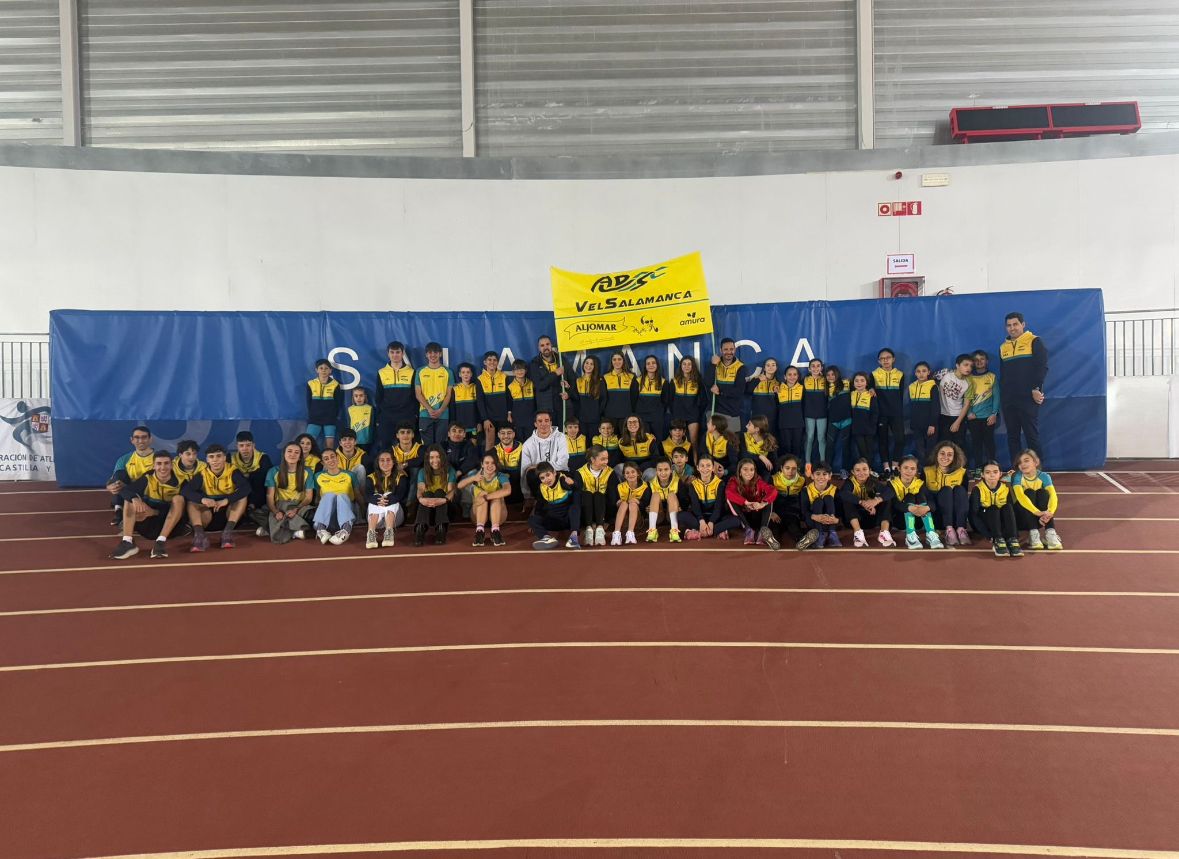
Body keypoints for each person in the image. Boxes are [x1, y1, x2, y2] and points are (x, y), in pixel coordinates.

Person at [109, 450, 186, 560]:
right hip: (149, 525)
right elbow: (125, 490)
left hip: (172, 527)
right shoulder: (148, 478)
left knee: (179, 499)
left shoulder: (181, 481)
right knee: (129, 499)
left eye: (166, 463)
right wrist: (135, 499)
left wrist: (155, 512)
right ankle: (127, 542)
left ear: (172, 465)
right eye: (159, 464)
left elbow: (185, 510)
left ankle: (160, 543)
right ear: (153, 466)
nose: (163, 467)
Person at [1000, 312, 1049, 466]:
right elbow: (1003, 374)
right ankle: (1016, 470)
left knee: (1031, 435)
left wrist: (1036, 388)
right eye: (1009, 325)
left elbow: (1042, 367)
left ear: (1023, 324)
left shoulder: (1035, 341)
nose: (1012, 328)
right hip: (1009, 399)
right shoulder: (1003, 347)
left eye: (1015, 324)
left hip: (1028, 398)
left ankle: (1038, 471)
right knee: (1012, 436)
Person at [182, 443, 250, 552]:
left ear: (224, 458)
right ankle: (199, 536)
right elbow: (186, 491)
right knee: (191, 502)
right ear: (207, 460)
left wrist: (227, 500)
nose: (215, 460)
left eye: (218, 456)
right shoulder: (202, 474)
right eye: (211, 457)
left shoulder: (232, 471)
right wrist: (203, 499)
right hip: (208, 517)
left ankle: (227, 534)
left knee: (242, 497)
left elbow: (246, 488)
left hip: (228, 516)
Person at [257, 441, 315, 545]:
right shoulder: (273, 471)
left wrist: (296, 509)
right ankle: (294, 530)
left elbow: (308, 498)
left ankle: (272, 528)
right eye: (289, 451)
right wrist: (276, 512)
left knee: (313, 516)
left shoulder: (307, 472)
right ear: (284, 454)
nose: (292, 454)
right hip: (280, 506)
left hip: (300, 506)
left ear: (300, 457)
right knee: (254, 513)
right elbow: (270, 497)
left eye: (297, 452)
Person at [882, 455, 943, 550]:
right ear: (899, 468)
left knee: (920, 495)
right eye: (905, 468)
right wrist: (909, 508)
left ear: (916, 470)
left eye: (912, 468)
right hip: (900, 521)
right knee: (910, 496)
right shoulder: (892, 484)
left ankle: (930, 533)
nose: (909, 471)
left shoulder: (920, 483)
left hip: (918, 521)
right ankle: (910, 535)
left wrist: (926, 508)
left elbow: (932, 503)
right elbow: (894, 504)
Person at [680, 455, 741, 541]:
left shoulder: (720, 483)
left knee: (736, 520)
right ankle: (716, 531)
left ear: (713, 468)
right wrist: (701, 521)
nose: (705, 468)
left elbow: (718, 507)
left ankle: (701, 532)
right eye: (702, 465)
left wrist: (711, 522)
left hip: (716, 518)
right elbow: (695, 505)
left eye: (708, 465)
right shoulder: (693, 484)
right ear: (697, 468)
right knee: (680, 515)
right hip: (699, 518)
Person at [970, 460, 1023, 558]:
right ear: (982, 475)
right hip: (985, 522)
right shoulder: (977, 489)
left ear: (1000, 474)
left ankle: (1012, 539)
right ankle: (997, 539)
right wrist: (988, 535)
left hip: (1001, 524)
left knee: (1007, 507)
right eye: (987, 472)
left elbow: (1011, 512)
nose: (992, 475)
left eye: (995, 472)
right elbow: (973, 515)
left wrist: (1013, 532)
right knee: (993, 508)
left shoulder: (1005, 488)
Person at [1012, 448, 1063, 550]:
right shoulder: (1017, 477)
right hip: (1021, 517)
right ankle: (1033, 534)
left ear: (1036, 462)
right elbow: (1021, 497)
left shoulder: (1044, 476)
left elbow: (1053, 495)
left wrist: (1050, 512)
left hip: (1040, 518)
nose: (1023, 464)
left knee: (1043, 493)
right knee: (1029, 492)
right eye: (1020, 462)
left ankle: (1050, 533)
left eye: (1026, 460)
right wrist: (1036, 512)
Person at [725, 457, 780, 549]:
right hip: (743, 516)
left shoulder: (758, 481)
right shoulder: (733, 481)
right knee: (730, 499)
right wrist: (745, 503)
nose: (748, 472)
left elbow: (773, 490)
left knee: (768, 501)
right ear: (739, 472)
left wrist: (762, 503)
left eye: (751, 470)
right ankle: (748, 530)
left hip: (756, 513)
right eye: (745, 469)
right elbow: (729, 493)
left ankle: (763, 532)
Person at [458, 452, 511, 546]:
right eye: (487, 463)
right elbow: (459, 486)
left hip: (498, 517)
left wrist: (487, 497)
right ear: (482, 464)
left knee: (495, 497)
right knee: (481, 495)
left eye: (493, 463)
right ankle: (479, 532)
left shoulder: (500, 476)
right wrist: (473, 478)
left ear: (496, 464)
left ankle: (495, 531)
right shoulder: (476, 475)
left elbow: (507, 490)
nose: (490, 465)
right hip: (478, 515)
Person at [311, 448, 362, 545]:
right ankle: (321, 530)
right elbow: (318, 497)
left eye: (332, 457)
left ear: (337, 458)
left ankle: (345, 530)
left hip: (347, 512)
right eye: (326, 459)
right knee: (329, 495)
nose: (330, 460)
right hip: (328, 517)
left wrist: (363, 512)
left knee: (341, 496)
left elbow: (358, 495)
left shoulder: (350, 475)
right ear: (323, 463)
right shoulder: (318, 476)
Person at [106, 425, 155, 526]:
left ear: (150, 439)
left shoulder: (159, 458)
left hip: (152, 493)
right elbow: (112, 479)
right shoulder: (124, 459)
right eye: (137, 437)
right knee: (119, 476)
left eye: (144, 437)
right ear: (131, 440)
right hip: (129, 493)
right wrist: (109, 486)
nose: (140, 441)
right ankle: (118, 510)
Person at [838, 459, 893, 548]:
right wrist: (862, 502)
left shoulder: (874, 481)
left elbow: (890, 492)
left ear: (870, 470)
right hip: (854, 520)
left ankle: (884, 533)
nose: (861, 473)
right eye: (858, 470)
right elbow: (843, 493)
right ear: (853, 472)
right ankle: (858, 534)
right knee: (847, 499)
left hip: (872, 518)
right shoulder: (849, 482)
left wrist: (876, 501)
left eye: (864, 469)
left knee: (886, 499)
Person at [925, 440, 970, 546]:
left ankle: (961, 530)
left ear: (954, 457)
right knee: (946, 490)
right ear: (936, 454)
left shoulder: (962, 473)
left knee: (959, 489)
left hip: (956, 518)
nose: (945, 457)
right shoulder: (927, 471)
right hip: (937, 516)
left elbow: (963, 499)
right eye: (942, 453)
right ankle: (949, 530)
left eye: (950, 455)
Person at [375, 341, 417, 451]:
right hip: (387, 416)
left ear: (402, 353)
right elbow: (378, 396)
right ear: (388, 354)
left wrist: (414, 414)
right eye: (392, 352)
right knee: (385, 446)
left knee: (406, 447)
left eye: (398, 352)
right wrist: (380, 415)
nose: (395, 355)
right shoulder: (381, 372)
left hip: (406, 415)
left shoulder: (412, 372)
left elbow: (414, 395)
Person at [530, 463, 582, 550]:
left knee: (575, 504)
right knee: (533, 519)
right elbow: (539, 505)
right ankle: (547, 538)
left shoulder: (563, 481)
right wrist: (536, 526)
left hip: (568, 520)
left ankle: (573, 537)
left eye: (548, 475)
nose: (546, 479)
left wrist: (573, 483)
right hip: (553, 521)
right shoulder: (542, 488)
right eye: (542, 478)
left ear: (554, 473)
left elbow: (578, 490)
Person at [364, 450, 409, 549]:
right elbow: (367, 495)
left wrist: (386, 498)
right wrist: (378, 499)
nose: (385, 463)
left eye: (388, 460)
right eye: (382, 460)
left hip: (395, 519)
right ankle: (371, 533)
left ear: (393, 462)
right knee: (376, 497)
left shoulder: (400, 477)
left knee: (388, 494)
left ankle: (389, 532)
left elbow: (400, 495)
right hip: (377, 521)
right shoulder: (371, 477)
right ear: (378, 462)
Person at [521, 411, 570, 500]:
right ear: (535, 424)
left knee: (565, 476)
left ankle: (562, 501)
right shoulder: (528, 444)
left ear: (551, 423)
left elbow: (562, 464)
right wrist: (527, 496)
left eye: (546, 421)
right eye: (540, 421)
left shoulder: (561, 437)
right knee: (531, 474)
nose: (543, 424)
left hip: (557, 472)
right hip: (539, 477)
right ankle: (540, 501)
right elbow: (525, 470)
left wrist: (537, 466)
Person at [966, 350, 1001, 476]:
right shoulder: (969, 378)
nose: (979, 361)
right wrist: (969, 412)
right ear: (973, 362)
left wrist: (994, 414)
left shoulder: (992, 376)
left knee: (989, 443)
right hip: (973, 417)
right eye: (976, 359)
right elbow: (966, 397)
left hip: (988, 418)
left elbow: (997, 397)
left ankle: (992, 468)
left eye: (982, 359)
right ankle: (978, 468)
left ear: (986, 361)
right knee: (976, 443)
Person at [414, 444, 456, 546]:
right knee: (427, 493)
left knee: (439, 492)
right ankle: (420, 528)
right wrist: (421, 499)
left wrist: (443, 500)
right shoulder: (422, 472)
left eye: (438, 457)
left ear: (442, 457)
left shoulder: (450, 471)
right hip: (428, 509)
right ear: (428, 459)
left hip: (445, 509)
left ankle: (441, 528)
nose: (435, 460)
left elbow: (451, 492)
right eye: (432, 457)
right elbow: (420, 489)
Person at [872, 349, 905, 478]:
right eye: (882, 358)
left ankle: (895, 465)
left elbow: (901, 395)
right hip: (881, 413)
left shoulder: (900, 374)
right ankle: (886, 467)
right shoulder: (873, 374)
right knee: (882, 440)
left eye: (888, 357)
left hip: (896, 413)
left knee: (900, 439)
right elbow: (871, 391)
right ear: (878, 361)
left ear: (893, 359)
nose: (885, 360)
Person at [574, 445, 616, 547]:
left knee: (598, 495)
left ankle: (600, 529)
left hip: (603, 511)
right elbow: (577, 497)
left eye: (607, 458)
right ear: (592, 459)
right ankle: (588, 529)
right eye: (603, 459)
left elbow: (612, 497)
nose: (606, 462)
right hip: (586, 511)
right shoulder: (580, 473)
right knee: (587, 494)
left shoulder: (610, 472)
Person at [415, 341, 454, 445]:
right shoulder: (420, 371)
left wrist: (441, 410)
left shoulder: (448, 372)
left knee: (441, 446)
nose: (433, 355)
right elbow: (418, 394)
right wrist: (429, 409)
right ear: (426, 354)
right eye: (430, 352)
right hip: (425, 413)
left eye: (435, 352)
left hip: (443, 414)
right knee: (427, 447)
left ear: (440, 354)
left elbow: (449, 394)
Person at [706, 338, 745, 431]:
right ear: (721, 350)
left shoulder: (740, 367)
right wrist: (713, 365)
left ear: (734, 350)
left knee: (732, 444)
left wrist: (720, 391)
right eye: (725, 349)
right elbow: (707, 382)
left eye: (731, 349)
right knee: (713, 443)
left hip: (732, 413)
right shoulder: (715, 363)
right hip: (714, 411)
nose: (729, 352)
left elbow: (739, 391)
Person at [529, 335, 568, 428]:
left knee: (561, 435)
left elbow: (571, 380)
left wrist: (567, 389)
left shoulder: (561, 360)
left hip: (561, 406)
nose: (545, 347)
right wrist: (555, 373)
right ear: (539, 348)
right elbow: (540, 385)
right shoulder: (534, 363)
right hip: (544, 408)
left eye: (547, 344)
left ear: (551, 345)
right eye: (542, 345)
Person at [798, 462, 839, 549]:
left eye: (825, 474)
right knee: (818, 501)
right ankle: (819, 535)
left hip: (830, 522)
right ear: (812, 476)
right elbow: (804, 512)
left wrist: (836, 520)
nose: (821, 477)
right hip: (813, 522)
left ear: (830, 476)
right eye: (817, 474)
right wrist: (814, 517)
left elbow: (840, 511)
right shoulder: (806, 490)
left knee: (828, 498)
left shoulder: (835, 490)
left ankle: (832, 534)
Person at [768, 455, 807, 546]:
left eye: (794, 468)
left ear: (797, 469)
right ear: (781, 468)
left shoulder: (802, 480)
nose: (790, 471)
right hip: (777, 512)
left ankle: (802, 541)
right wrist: (771, 512)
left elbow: (803, 499)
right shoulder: (773, 479)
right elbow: (767, 498)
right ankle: (773, 541)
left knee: (793, 527)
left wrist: (802, 515)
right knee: (775, 527)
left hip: (792, 512)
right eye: (787, 468)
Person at [231, 431, 273, 514]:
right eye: (241, 445)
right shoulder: (231, 459)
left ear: (253, 445)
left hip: (258, 492)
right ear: (237, 447)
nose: (245, 449)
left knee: (258, 476)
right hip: (240, 492)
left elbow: (268, 482)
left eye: (248, 445)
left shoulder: (263, 458)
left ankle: (252, 506)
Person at [937, 354, 974, 447]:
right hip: (942, 416)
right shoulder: (945, 373)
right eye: (966, 365)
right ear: (957, 365)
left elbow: (966, 404)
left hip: (957, 416)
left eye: (971, 366)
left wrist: (958, 422)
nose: (968, 368)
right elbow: (930, 381)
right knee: (943, 445)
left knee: (959, 446)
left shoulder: (969, 382)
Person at [306, 359, 343, 450]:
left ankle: (327, 464)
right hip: (315, 418)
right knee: (308, 442)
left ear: (330, 370)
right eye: (321, 368)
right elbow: (308, 402)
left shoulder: (335, 384)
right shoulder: (311, 383)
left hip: (330, 418)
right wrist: (312, 414)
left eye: (326, 368)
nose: (323, 370)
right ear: (316, 370)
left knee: (330, 444)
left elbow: (338, 403)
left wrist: (334, 415)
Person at [671, 356, 705, 453]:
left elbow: (703, 400)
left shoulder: (698, 382)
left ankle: (695, 465)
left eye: (689, 364)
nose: (686, 366)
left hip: (692, 416)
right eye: (684, 364)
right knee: (678, 442)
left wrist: (697, 412)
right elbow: (670, 400)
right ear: (681, 366)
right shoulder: (674, 381)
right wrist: (675, 413)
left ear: (693, 366)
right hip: (678, 416)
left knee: (694, 442)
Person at [645, 458, 684, 543]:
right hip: (658, 516)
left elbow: (685, 501)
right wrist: (647, 508)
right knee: (655, 495)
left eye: (666, 469)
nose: (663, 473)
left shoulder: (677, 481)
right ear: (656, 471)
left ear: (671, 470)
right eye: (660, 470)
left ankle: (674, 530)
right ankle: (652, 530)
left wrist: (681, 508)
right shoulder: (651, 483)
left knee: (671, 494)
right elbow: (645, 502)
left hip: (672, 516)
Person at [476, 351, 509, 451]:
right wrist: (485, 419)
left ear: (497, 362)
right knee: (490, 445)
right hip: (489, 419)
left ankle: (504, 465)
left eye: (494, 360)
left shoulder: (504, 377)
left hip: (503, 417)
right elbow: (480, 401)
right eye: (489, 360)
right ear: (485, 362)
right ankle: (488, 465)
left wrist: (509, 413)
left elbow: (508, 398)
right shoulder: (480, 379)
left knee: (505, 443)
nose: (492, 362)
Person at [824, 365, 852, 479]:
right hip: (833, 421)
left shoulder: (846, 383)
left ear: (837, 374)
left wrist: (871, 389)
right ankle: (827, 470)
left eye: (833, 374)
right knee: (830, 446)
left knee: (846, 446)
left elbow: (862, 387)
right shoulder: (826, 387)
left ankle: (844, 470)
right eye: (828, 375)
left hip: (847, 420)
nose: (831, 377)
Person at [635, 355, 671, 442]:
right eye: (648, 363)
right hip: (642, 416)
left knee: (658, 440)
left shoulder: (663, 382)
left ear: (657, 365)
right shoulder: (637, 381)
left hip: (657, 417)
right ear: (645, 366)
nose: (651, 365)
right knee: (644, 441)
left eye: (653, 363)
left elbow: (665, 401)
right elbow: (633, 399)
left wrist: (659, 411)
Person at [907, 362, 938, 466]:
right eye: (918, 371)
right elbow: (912, 407)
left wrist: (932, 424)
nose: (921, 374)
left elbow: (935, 407)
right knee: (920, 450)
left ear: (928, 372)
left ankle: (930, 470)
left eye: (924, 371)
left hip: (929, 425)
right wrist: (913, 423)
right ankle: (923, 471)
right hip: (917, 425)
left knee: (930, 450)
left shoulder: (933, 386)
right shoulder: (911, 387)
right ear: (915, 373)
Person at [611, 461, 648, 545]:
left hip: (637, 521)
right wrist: (618, 503)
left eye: (633, 472)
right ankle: (616, 533)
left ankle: (630, 533)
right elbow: (613, 504)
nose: (630, 475)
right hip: (623, 520)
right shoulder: (620, 487)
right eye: (627, 473)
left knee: (633, 503)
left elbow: (645, 507)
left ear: (638, 473)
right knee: (624, 503)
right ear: (624, 475)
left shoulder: (645, 487)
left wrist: (638, 502)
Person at [747, 357, 780, 442]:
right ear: (764, 368)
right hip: (757, 418)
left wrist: (777, 393)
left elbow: (778, 403)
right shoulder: (757, 379)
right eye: (768, 365)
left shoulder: (778, 383)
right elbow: (747, 391)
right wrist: (757, 380)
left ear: (776, 368)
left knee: (771, 440)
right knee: (757, 440)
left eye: (773, 365)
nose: (770, 367)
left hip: (771, 418)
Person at [802, 358, 828, 469]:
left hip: (822, 414)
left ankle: (823, 462)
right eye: (813, 366)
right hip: (809, 413)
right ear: (809, 368)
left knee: (821, 438)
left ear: (822, 368)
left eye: (818, 366)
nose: (816, 368)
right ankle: (808, 462)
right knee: (810, 437)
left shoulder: (826, 380)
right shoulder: (804, 380)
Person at [776, 365, 805, 461]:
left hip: (798, 424)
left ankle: (796, 469)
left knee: (797, 447)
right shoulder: (778, 388)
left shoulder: (802, 388)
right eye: (789, 374)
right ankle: (785, 470)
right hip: (784, 424)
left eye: (795, 374)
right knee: (785, 447)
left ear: (798, 376)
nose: (792, 377)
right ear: (785, 377)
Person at [849, 372, 878, 465]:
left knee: (870, 451)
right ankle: (864, 471)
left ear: (866, 382)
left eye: (862, 380)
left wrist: (872, 426)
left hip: (869, 429)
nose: (859, 383)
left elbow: (875, 412)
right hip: (856, 429)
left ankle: (869, 470)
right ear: (853, 383)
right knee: (862, 451)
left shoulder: (871, 395)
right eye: (856, 381)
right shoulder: (851, 394)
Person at [570, 356, 605, 432]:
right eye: (587, 363)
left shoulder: (600, 381)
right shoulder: (578, 381)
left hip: (595, 419)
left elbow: (603, 400)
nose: (588, 366)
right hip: (581, 419)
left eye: (591, 364)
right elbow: (576, 399)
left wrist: (598, 414)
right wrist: (568, 387)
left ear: (595, 366)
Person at [617, 414, 657, 480]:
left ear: (640, 424)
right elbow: (619, 459)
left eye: (635, 422)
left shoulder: (649, 439)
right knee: (618, 467)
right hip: (629, 468)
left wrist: (640, 468)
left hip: (645, 469)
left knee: (652, 473)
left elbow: (656, 458)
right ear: (626, 426)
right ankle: (624, 488)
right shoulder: (621, 442)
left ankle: (646, 489)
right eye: (629, 422)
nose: (632, 424)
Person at [493, 422, 523, 505]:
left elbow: (523, 469)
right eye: (503, 433)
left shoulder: (523, 448)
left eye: (509, 433)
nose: (506, 436)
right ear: (498, 435)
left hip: (517, 482)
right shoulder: (494, 449)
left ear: (514, 434)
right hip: (501, 482)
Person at [603, 351, 638, 422]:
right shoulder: (605, 377)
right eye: (614, 359)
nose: (617, 362)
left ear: (623, 361)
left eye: (619, 359)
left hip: (627, 415)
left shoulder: (631, 376)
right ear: (611, 362)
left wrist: (632, 413)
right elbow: (603, 398)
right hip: (610, 415)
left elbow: (634, 397)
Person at [507, 359, 536, 440]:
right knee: (519, 439)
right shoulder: (510, 386)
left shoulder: (531, 384)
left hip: (530, 418)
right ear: (513, 372)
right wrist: (509, 414)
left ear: (526, 370)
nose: (519, 371)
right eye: (517, 369)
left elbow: (536, 401)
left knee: (531, 440)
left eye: (521, 369)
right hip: (517, 418)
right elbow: (509, 402)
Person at [451, 362, 480, 440]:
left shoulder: (475, 387)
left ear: (471, 374)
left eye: (468, 372)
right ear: (459, 374)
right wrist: (453, 425)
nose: (466, 374)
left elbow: (479, 408)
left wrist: (479, 422)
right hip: (459, 427)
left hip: (473, 426)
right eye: (463, 372)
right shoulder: (455, 388)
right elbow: (452, 409)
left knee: (473, 447)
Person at [704, 414, 737, 479]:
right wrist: (713, 462)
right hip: (709, 467)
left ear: (714, 427)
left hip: (724, 473)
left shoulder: (728, 442)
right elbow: (702, 454)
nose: (707, 424)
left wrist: (724, 472)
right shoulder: (706, 436)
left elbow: (734, 464)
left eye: (709, 422)